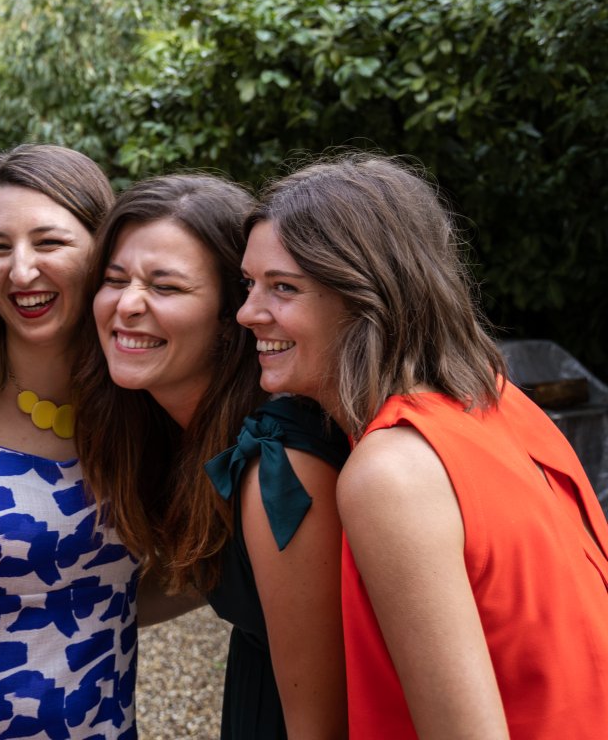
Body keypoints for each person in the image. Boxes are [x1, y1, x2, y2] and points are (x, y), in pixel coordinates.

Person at [238, 153, 608, 739]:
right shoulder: (503, 400)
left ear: (368, 298)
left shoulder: (393, 471)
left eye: (283, 288)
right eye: (249, 283)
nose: (247, 312)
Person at [75, 174, 349, 739]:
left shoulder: (277, 463)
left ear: (233, 317)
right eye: (114, 279)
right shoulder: (170, 428)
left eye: (166, 287)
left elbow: (322, 724)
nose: (128, 305)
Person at [0, 144, 140, 738]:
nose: (20, 271)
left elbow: (183, 562)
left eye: (48, 243)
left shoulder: (140, 395)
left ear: (103, 251)